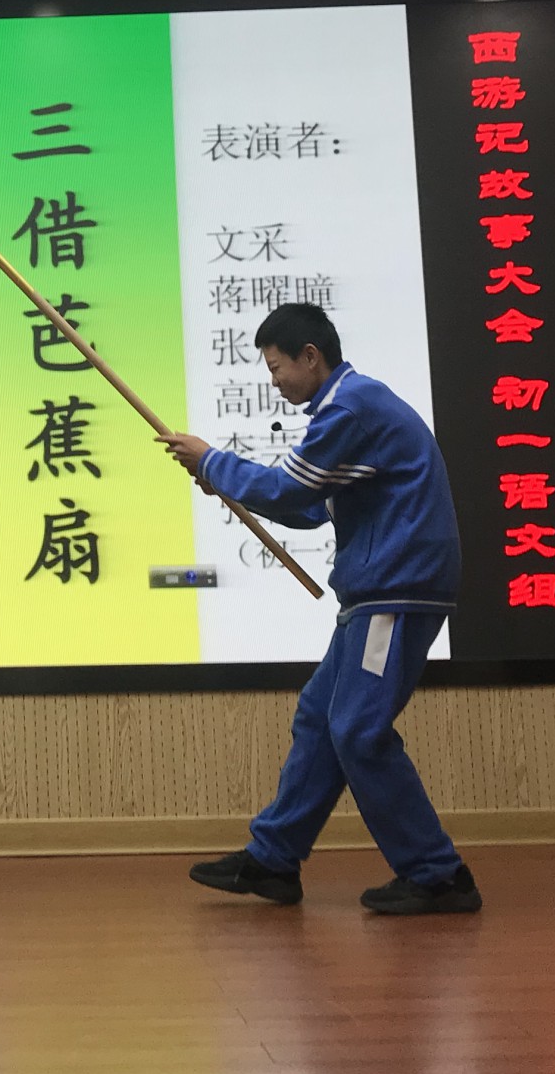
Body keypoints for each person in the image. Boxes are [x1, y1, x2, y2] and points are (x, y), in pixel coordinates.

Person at [158, 303, 481, 916]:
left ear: (311, 356)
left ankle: (439, 875)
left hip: (396, 589)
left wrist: (212, 461)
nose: (274, 379)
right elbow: (308, 508)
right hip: (381, 590)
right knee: (319, 717)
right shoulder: (351, 406)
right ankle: (274, 859)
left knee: (357, 729)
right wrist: (220, 478)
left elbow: (289, 490)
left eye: (276, 366)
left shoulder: (348, 409)